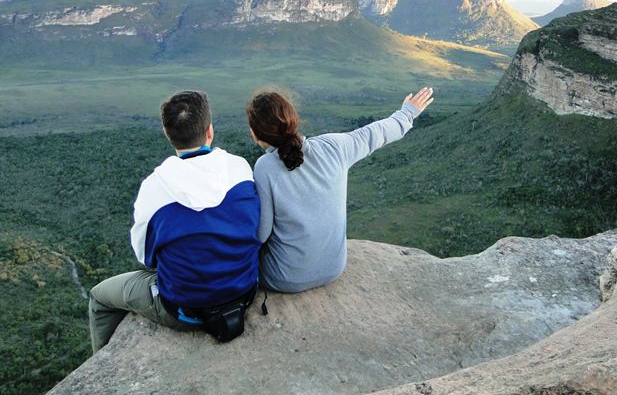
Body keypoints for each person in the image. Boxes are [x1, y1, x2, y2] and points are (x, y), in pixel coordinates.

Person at [89, 90, 261, 352]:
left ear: (167, 134)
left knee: (99, 298)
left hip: (184, 310)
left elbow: (145, 258)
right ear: (210, 131)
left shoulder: (154, 188)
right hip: (245, 294)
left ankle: (100, 369)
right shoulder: (240, 168)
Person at [246, 87, 434, 293]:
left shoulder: (265, 166)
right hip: (334, 269)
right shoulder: (334, 146)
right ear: (292, 120)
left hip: (285, 279)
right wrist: (407, 113)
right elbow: (376, 133)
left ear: (255, 134)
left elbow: (262, 234)